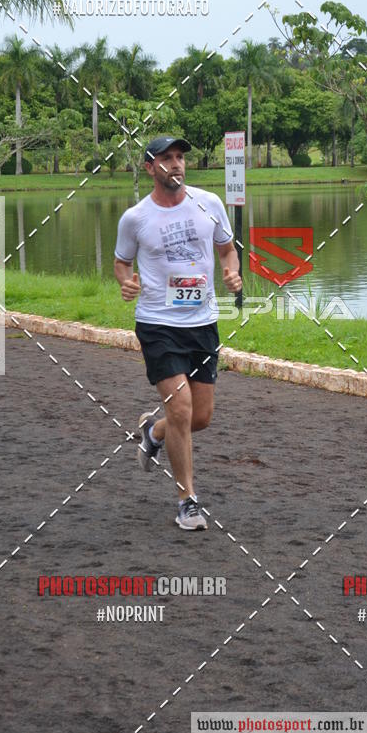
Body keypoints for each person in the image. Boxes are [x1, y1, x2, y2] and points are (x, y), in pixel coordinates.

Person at [114, 135, 242, 531]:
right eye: (166, 158)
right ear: (150, 167)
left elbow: (227, 249)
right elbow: (121, 263)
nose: (176, 164)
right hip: (157, 324)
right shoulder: (135, 218)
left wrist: (231, 270)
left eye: (180, 157)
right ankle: (188, 501)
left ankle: (153, 433)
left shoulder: (210, 203)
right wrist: (126, 283)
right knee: (182, 408)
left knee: (199, 417)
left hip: (202, 324)